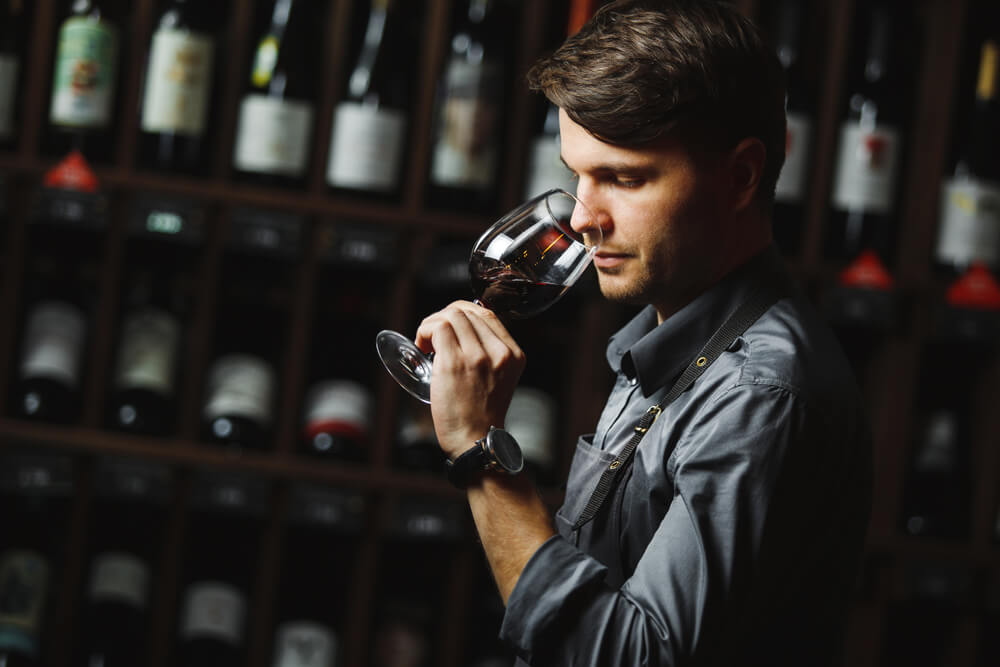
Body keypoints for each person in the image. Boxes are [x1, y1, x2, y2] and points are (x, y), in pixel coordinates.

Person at [413, 1, 873, 665]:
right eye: (578, 175)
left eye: (622, 179)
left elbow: (634, 656)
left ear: (740, 176)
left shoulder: (760, 393)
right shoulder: (678, 337)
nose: (582, 218)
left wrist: (480, 452)